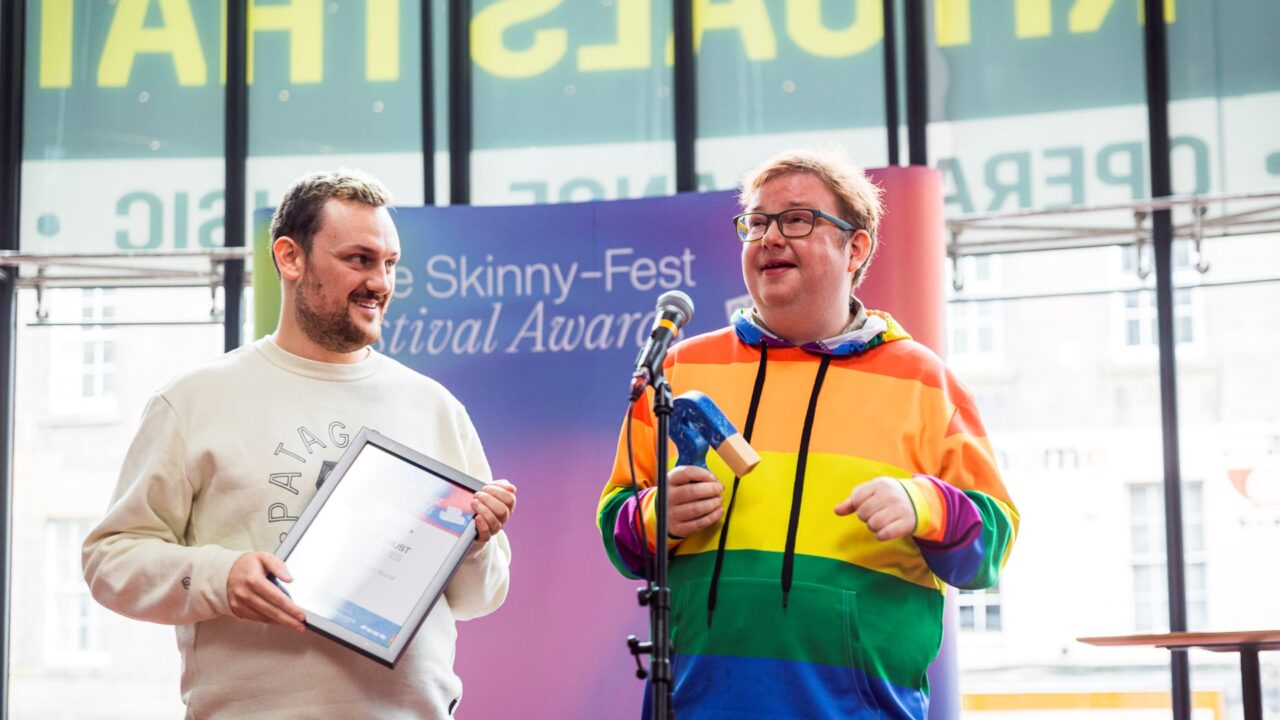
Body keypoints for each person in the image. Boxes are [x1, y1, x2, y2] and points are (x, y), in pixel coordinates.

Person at [596, 150, 1018, 718]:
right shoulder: (676, 370)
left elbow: (991, 547)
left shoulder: (926, 381)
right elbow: (617, 526)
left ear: (856, 247)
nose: (770, 237)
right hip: (694, 705)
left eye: (797, 219)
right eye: (757, 222)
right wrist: (655, 517)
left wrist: (926, 506)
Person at [83, 169, 516, 719]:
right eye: (359, 260)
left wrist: (474, 542)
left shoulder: (433, 407)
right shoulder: (194, 400)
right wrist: (221, 575)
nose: (380, 282)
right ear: (290, 258)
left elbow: (481, 598)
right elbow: (110, 561)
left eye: (389, 264)